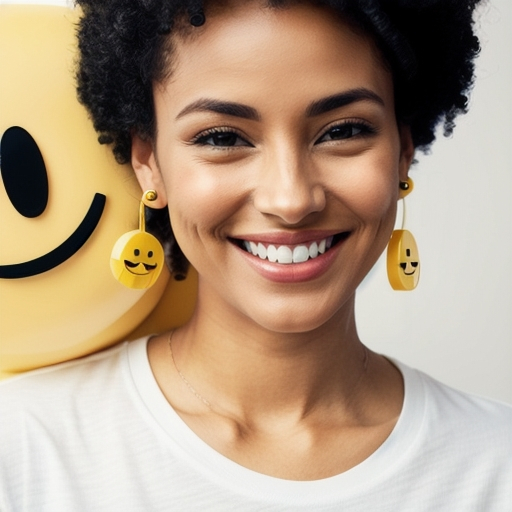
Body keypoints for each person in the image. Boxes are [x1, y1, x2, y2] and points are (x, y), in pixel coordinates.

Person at [1, 0, 510, 510]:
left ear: (402, 150)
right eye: (222, 137)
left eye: (344, 131)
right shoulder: (23, 447)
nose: (290, 200)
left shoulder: (495, 463)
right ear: (148, 162)